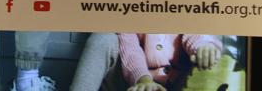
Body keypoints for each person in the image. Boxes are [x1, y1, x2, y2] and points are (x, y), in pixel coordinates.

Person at [70, 33, 222, 91]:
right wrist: (144, 80)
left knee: (209, 56)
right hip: (134, 80)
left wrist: (203, 47)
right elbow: (130, 48)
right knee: (103, 38)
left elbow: (195, 32)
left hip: (178, 82)